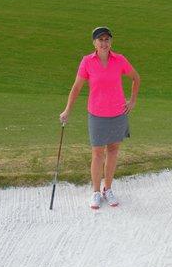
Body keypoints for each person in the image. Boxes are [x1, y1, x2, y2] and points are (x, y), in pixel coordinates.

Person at [60, 27, 140, 209]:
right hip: (97, 114)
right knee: (97, 153)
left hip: (118, 113)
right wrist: (67, 110)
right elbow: (77, 88)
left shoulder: (120, 60)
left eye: (107, 40)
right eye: (100, 40)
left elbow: (136, 78)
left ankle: (108, 189)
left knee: (113, 151)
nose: (104, 43)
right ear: (94, 43)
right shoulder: (87, 62)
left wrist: (132, 100)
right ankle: (96, 191)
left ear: (110, 42)